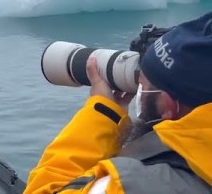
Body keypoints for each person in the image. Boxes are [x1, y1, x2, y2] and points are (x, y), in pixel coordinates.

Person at [24, 12, 212, 193]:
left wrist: (103, 113)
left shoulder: (136, 185)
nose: (138, 89)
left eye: (142, 85)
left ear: (168, 107)